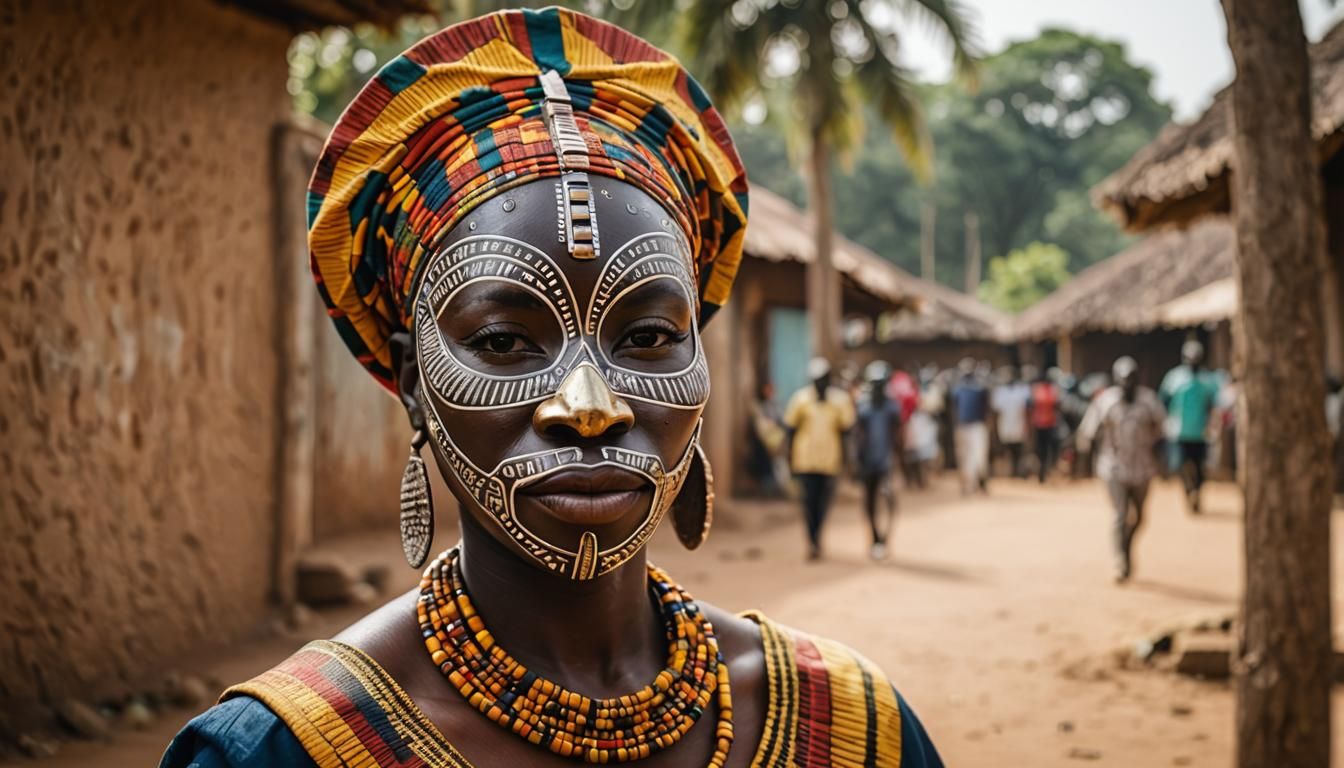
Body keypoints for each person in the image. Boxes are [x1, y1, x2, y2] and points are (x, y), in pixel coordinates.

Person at [160, 9, 942, 767]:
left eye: (649, 336)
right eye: (501, 341)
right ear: (410, 382)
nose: (591, 407)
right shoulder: (279, 752)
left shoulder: (851, 728)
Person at [1078, 357, 1167, 583]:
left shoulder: (1149, 402)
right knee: (1120, 514)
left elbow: (1162, 431)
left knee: (1139, 517)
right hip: (1113, 468)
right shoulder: (1105, 402)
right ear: (1116, 380)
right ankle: (1120, 561)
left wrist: (1161, 460)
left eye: (1132, 379)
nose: (1128, 384)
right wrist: (1086, 463)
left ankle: (1126, 544)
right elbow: (1088, 433)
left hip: (1143, 468)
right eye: (1123, 379)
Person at [784, 357, 857, 560]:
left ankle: (818, 536)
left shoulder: (840, 401)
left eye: (823, 379)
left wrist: (848, 461)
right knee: (808, 503)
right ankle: (812, 540)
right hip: (805, 461)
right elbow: (791, 431)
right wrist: (789, 460)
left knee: (824, 503)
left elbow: (846, 433)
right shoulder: (801, 400)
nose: (820, 384)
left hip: (829, 461)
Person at [1160, 340, 1221, 513]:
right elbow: (1164, 401)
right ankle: (1188, 490)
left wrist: (1212, 424)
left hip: (1201, 432)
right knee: (1181, 465)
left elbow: (1214, 404)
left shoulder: (1208, 380)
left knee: (1200, 466)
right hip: (1179, 432)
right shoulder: (1174, 378)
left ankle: (1197, 492)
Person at [855, 361, 902, 560]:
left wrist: (899, 460)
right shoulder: (863, 407)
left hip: (887, 463)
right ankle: (874, 537)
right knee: (869, 502)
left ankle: (884, 538)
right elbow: (858, 436)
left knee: (890, 500)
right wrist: (856, 461)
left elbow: (898, 435)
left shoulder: (892, 408)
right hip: (867, 463)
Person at [951, 358, 991, 495]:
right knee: (965, 457)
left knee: (979, 457)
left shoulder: (979, 389)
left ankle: (980, 483)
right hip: (963, 427)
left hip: (976, 426)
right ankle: (967, 485)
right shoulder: (959, 389)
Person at [747, 381, 786, 496]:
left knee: (776, 464)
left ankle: (776, 489)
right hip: (761, 441)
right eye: (767, 389)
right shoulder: (759, 406)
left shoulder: (776, 405)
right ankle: (766, 489)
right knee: (763, 465)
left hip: (774, 440)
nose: (769, 392)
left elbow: (782, 421)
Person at [991, 366, 1031, 478]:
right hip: (1005, 425)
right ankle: (1010, 472)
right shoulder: (1000, 392)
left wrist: (1027, 425)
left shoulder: (1022, 390)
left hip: (1019, 424)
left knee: (1019, 449)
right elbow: (996, 411)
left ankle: (1018, 471)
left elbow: (1026, 410)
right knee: (1007, 449)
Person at [1028, 367, 1061, 483]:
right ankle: (1043, 473)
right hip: (1043, 425)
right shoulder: (1049, 390)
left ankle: (1044, 473)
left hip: (1045, 424)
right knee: (1044, 451)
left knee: (1043, 451)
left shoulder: (1038, 390)